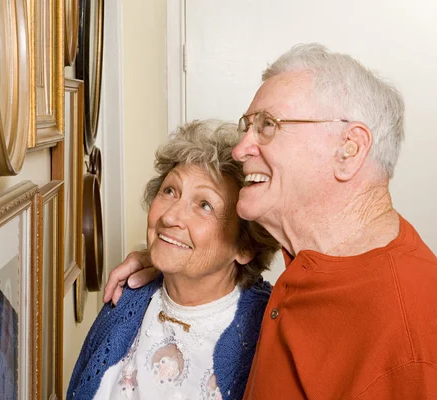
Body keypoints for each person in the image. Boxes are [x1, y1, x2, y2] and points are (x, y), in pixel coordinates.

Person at [103, 44, 437, 399]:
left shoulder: (411, 329)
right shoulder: (313, 265)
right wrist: (169, 260)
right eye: (248, 126)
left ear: (349, 148)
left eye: (268, 126)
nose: (241, 148)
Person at [68, 120, 279, 400]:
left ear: (245, 245)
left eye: (204, 205)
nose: (169, 217)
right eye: (169, 191)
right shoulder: (125, 301)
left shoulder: (268, 332)